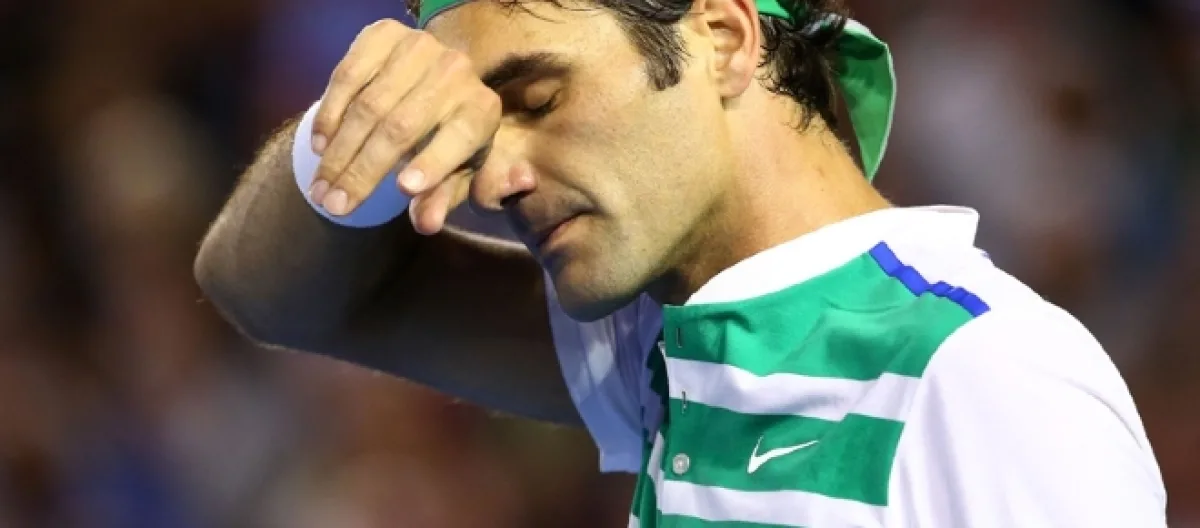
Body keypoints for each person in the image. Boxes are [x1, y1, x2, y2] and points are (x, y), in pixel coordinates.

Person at [194, 0, 1168, 525]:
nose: (496, 179)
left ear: (724, 38)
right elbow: (268, 294)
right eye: (477, 132)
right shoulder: (658, 344)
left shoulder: (985, 377)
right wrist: (349, 135)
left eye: (537, 100)